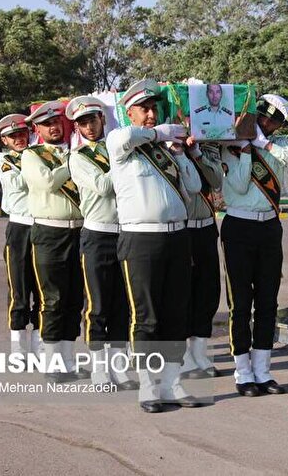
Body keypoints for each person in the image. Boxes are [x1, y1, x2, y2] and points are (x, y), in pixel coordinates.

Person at [106, 78, 206, 412]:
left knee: (176, 311)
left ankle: (172, 383)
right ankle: (148, 387)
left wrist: (183, 153)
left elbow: (193, 186)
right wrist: (160, 133)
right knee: (146, 316)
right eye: (144, 109)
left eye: (154, 109)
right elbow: (125, 137)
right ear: (129, 112)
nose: (150, 115)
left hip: (178, 236)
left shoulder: (166, 151)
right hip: (141, 238)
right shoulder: (121, 143)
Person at [220, 93, 288, 397]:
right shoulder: (231, 145)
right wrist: (245, 150)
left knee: (267, 301)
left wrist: (263, 144)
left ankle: (263, 371)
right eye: (262, 118)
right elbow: (237, 185)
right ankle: (243, 372)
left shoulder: (283, 145)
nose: (266, 124)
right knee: (241, 302)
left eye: (273, 121)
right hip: (238, 226)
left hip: (269, 226)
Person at [66, 96, 138, 390]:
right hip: (97, 235)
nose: (89, 127)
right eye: (82, 123)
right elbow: (104, 186)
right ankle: (99, 368)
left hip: (126, 232)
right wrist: (124, 161)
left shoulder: (116, 147)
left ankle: (119, 368)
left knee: (123, 303)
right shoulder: (79, 157)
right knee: (98, 304)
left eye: (92, 120)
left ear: (103, 119)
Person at [22, 100, 88, 382]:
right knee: (53, 298)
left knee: (75, 298)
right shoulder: (32, 155)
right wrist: (72, 163)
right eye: (47, 124)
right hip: (49, 233)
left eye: (56, 122)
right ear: (37, 128)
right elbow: (48, 182)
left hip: (80, 231)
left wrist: (73, 158)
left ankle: (68, 360)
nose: (53, 127)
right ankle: (52, 363)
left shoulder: (78, 153)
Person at [0, 114, 41, 358]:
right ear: (4, 140)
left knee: (42, 289)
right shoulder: (4, 159)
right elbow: (19, 183)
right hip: (19, 228)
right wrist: (41, 174)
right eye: (13, 136)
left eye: (22, 134)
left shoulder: (39, 154)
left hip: (43, 227)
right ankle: (17, 348)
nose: (19, 139)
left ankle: (39, 346)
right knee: (19, 289)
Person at [179, 138, 224, 379]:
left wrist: (196, 152)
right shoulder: (166, 149)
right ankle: (184, 355)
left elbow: (216, 181)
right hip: (181, 228)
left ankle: (200, 353)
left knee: (207, 292)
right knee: (182, 292)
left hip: (205, 227)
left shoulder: (207, 150)